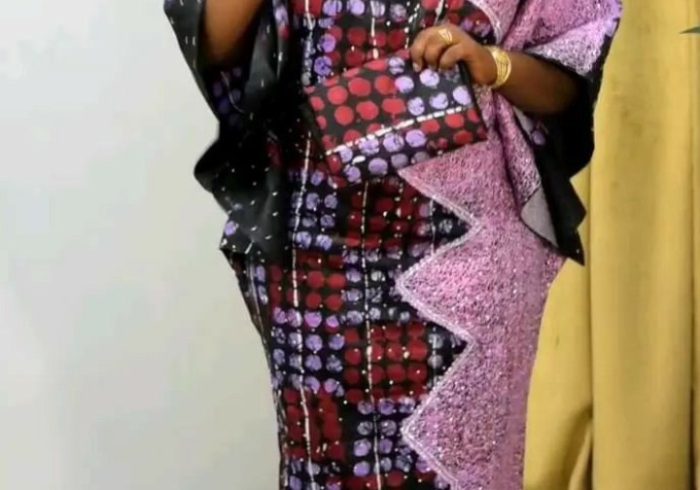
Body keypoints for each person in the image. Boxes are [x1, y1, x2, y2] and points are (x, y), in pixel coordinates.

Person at [165, 1, 621, 488]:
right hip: (315, 263)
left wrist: (493, 64)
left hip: (466, 266)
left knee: (465, 470)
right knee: (322, 471)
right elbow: (210, 42)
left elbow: (570, 79)